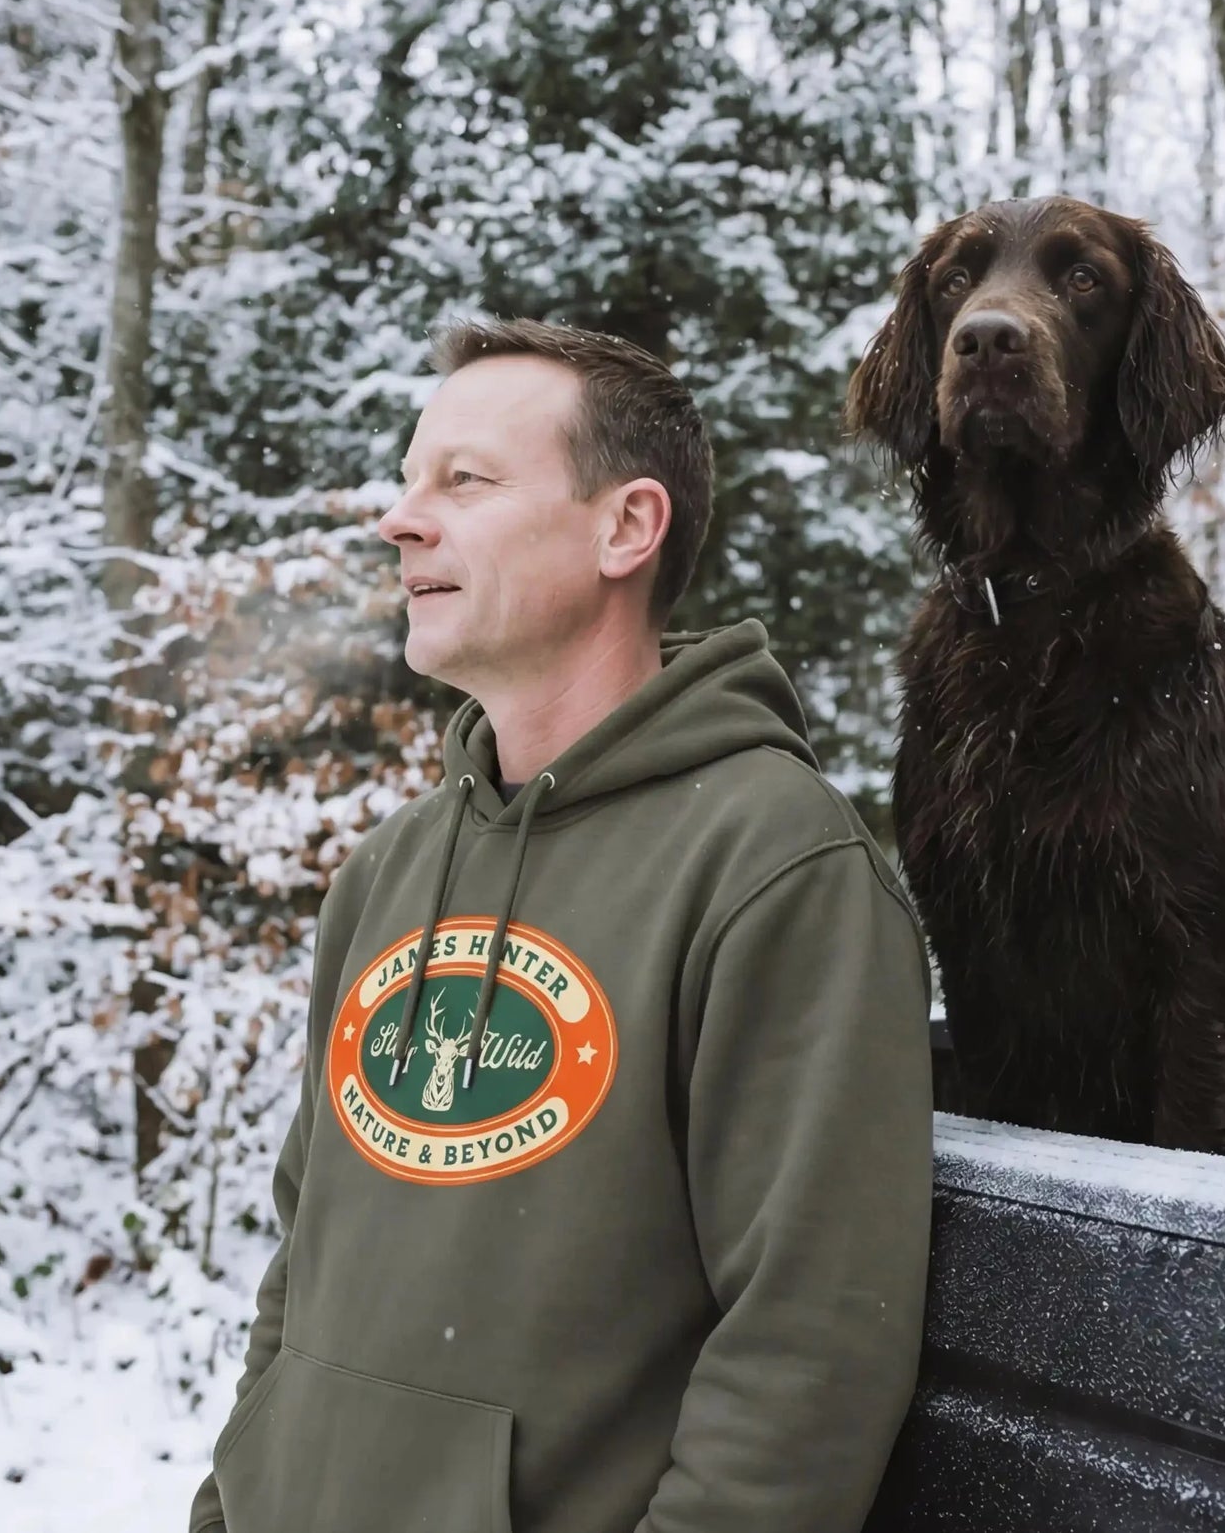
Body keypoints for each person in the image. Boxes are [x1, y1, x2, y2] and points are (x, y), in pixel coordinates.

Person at [190, 317, 934, 1533]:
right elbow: (302, 1267)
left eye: (464, 481)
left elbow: (809, 1353)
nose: (401, 519)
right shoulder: (386, 872)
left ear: (625, 528)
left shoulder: (777, 865)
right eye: (407, 479)